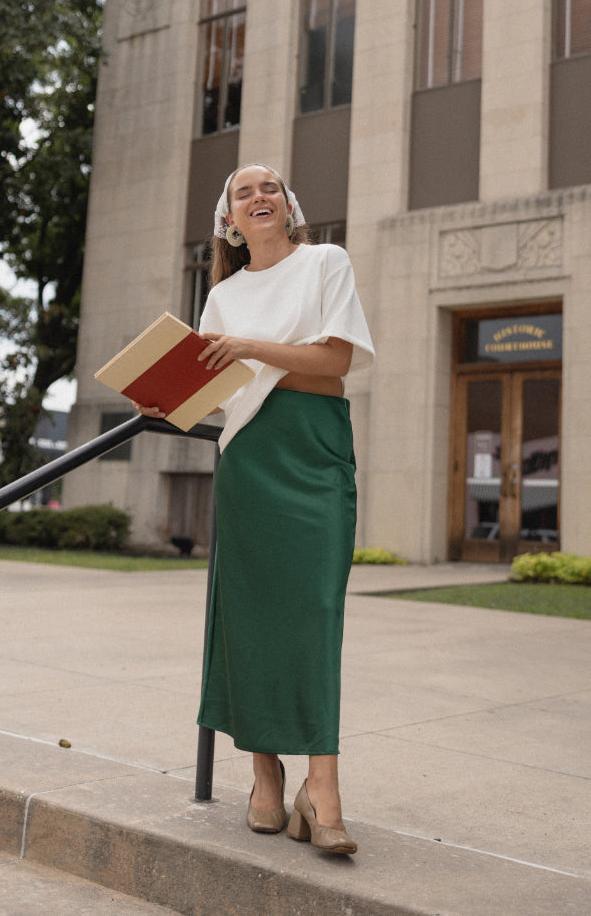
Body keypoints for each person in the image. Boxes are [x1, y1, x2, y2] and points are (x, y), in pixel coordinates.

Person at [135, 163, 374, 855]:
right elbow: (214, 398)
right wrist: (162, 399)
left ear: (289, 208)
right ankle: (266, 778)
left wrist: (246, 348)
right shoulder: (222, 299)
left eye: (270, 187)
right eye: (244, 192)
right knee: (251, 616)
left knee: (315, 614)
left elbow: (334, 361)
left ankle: (320, 785)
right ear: (229, 223)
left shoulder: (327, 261)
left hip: (314, 448)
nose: (258, 196)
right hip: (249, 459)